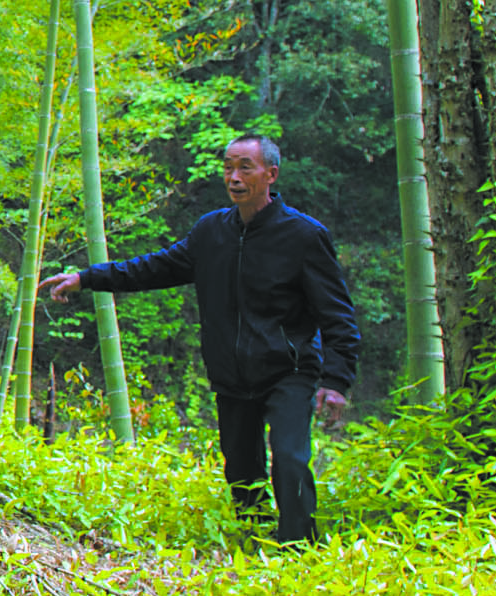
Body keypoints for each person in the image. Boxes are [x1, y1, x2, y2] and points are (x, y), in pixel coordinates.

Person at [44, 134, 356, 542]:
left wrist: (336, 381)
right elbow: (152, 268)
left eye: (246, 167)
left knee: (290, 459)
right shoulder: (211, 232)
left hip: (289, 370)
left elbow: (336, 312)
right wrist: (86, 278)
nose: (234, 176)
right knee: (242, 469)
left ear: (271, 174)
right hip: (231, 374)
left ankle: (301, 548)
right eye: (228, 167)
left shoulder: (303, 236)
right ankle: (256, 543)